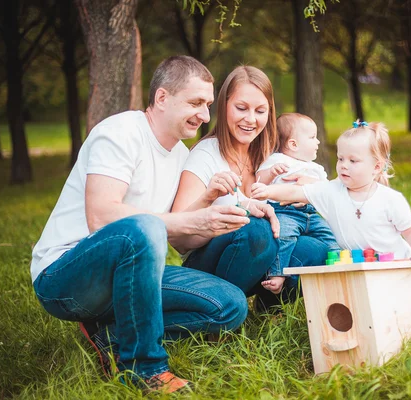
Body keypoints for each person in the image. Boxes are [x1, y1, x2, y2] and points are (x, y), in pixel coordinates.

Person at [31, 56, 253, 394]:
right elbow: (101, 215)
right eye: (195, 103)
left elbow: (179, 238)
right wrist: (191, 218)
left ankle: (113, 334)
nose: (206, 115)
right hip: (66, 278)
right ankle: (144, 368)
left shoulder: (179, 154)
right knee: (144, 227)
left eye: (208, 104)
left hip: (133, 278)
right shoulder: (121, 132)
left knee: (230, 305)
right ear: (162, 98)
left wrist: (211, 210)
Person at [252, 120, 411, 325]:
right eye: (340, 158)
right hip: (360, 271)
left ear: (376, 167)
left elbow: (410, 231)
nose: (344, 165)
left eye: (353, 160)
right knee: (373, 324)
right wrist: (268, 190)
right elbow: (296, 192)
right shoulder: (331, 191)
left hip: (399, 271)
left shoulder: (389, 200)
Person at [171, 66, 328, 306]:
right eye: (241, 108)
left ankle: (268, 310)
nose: (251, 119)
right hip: (207, 267)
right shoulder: (205, 155)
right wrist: (210, 199)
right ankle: (219, 311)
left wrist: (308, 189)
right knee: (255, 229)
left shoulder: (270, 157)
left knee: (314, 248)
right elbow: (178, 238)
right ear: (224, 107)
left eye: (260, 111)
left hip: (255, 256)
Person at [255, 113, 338, 294]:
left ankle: (339, 270)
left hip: (311, 214)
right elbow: (258, 180)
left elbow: (328, 190)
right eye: (312, 137)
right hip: (285, 212)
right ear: (293, 144)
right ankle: (277, 274)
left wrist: (313, 183)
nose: (318, 142)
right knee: (284, 237)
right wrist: (271, 172)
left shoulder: (316, 168)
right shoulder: (277, 160)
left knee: (332, 237)